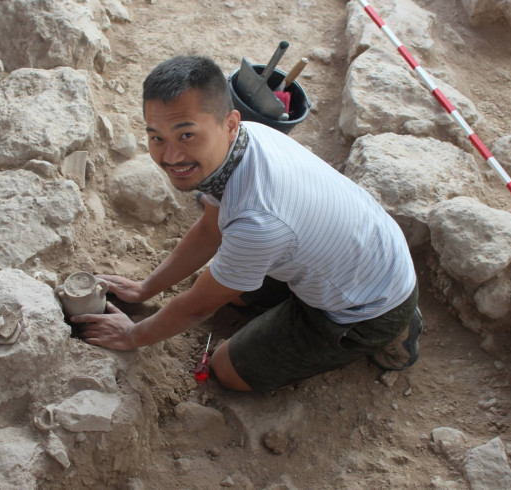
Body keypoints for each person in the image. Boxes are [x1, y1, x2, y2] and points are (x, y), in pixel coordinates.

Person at [74, 55, 423, 392]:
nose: (170, 156)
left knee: (226, 369)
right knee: (231, 291)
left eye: (186, 135)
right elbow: (211, 230)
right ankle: (294, 306)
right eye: (157, 137)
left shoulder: (256, 222)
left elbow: (197, 307)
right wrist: (144, 288)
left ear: (229, 124)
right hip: (353, 253)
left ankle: (395, 333)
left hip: (368, 306)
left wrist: (132, 335)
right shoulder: (245, 141)